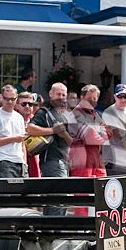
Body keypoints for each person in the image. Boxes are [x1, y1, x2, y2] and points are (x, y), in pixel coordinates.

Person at [28, 83, 75, 215]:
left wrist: (64, 133)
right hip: (52, 161)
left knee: (59, 200)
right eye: (58, 94)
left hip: (66, 162)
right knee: (59, 199)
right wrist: (52, 130)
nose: (61, 97)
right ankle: (55, 231)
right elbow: (30, 128)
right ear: (50, 94)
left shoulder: (67, 114)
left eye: (63, 95)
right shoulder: (44, 112)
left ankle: (50, 230)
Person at [0, 84, 27, 178]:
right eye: (6, 99)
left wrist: (25, 163)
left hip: (19, 162)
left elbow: (22, 143)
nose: (10, 102)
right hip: (1, 162)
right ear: (1, 97)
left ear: (17, 99)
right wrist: (13, 139)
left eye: (13, 99)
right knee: (6, 192)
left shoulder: (19, 117)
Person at [70, 84, 108, 179]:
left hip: (97, 156)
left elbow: (108, 133)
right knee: (84, 190)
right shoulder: (75, 114)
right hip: (81, 157)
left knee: (102, 186)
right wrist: (100, 134)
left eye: (95, 98)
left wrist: (99, 134)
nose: (92, 101)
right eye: (89, 98)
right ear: (82, 97)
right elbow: (89, 138)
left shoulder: (95, 114)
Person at [15, 91, 41, 177]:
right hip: (17, 161)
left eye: (30, 104)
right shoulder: (11, 119)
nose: (27, 106)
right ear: (17, 105)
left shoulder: (38, 121)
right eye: (24, 104)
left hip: (35, 161)